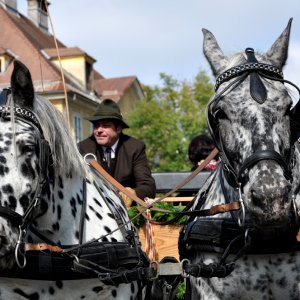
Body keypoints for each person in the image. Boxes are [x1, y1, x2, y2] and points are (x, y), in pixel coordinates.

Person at [78, 99, 156, 206]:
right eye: (96, 125)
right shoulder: (83, 147)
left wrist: (133, 193)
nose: (98, 130)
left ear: (119, 128)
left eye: (105, 125)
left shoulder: (135, 147)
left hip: (128, 214)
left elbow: (148, 187)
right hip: (95, 210)